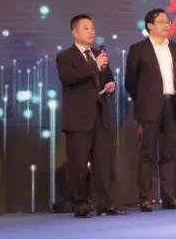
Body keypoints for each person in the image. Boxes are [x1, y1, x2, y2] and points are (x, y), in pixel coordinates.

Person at [56, 14, 127, 217]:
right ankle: (81, 204)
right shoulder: (65, 56)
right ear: (75, 32)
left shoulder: (98, 54)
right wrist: (94, 65)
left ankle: (105, 203)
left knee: (103, 163)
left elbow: (107, 77)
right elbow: (69, 78)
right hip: (78, 119)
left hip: (100, 116)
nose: (91, 31)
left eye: (93, 28)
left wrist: (110, 85)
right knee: (78, 164)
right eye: (86, 28)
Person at [125, 8, 176, 211]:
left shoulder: (175, 47)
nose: (166, 24)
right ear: (150, 26)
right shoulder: (138, 49)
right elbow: (130, 81)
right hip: (148, 107)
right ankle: (145, 198)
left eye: (167, 21)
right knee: (147, 153)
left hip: (171, 104)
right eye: (161, 21)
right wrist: (144, 99)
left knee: (170, 153)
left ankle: (170, 197)